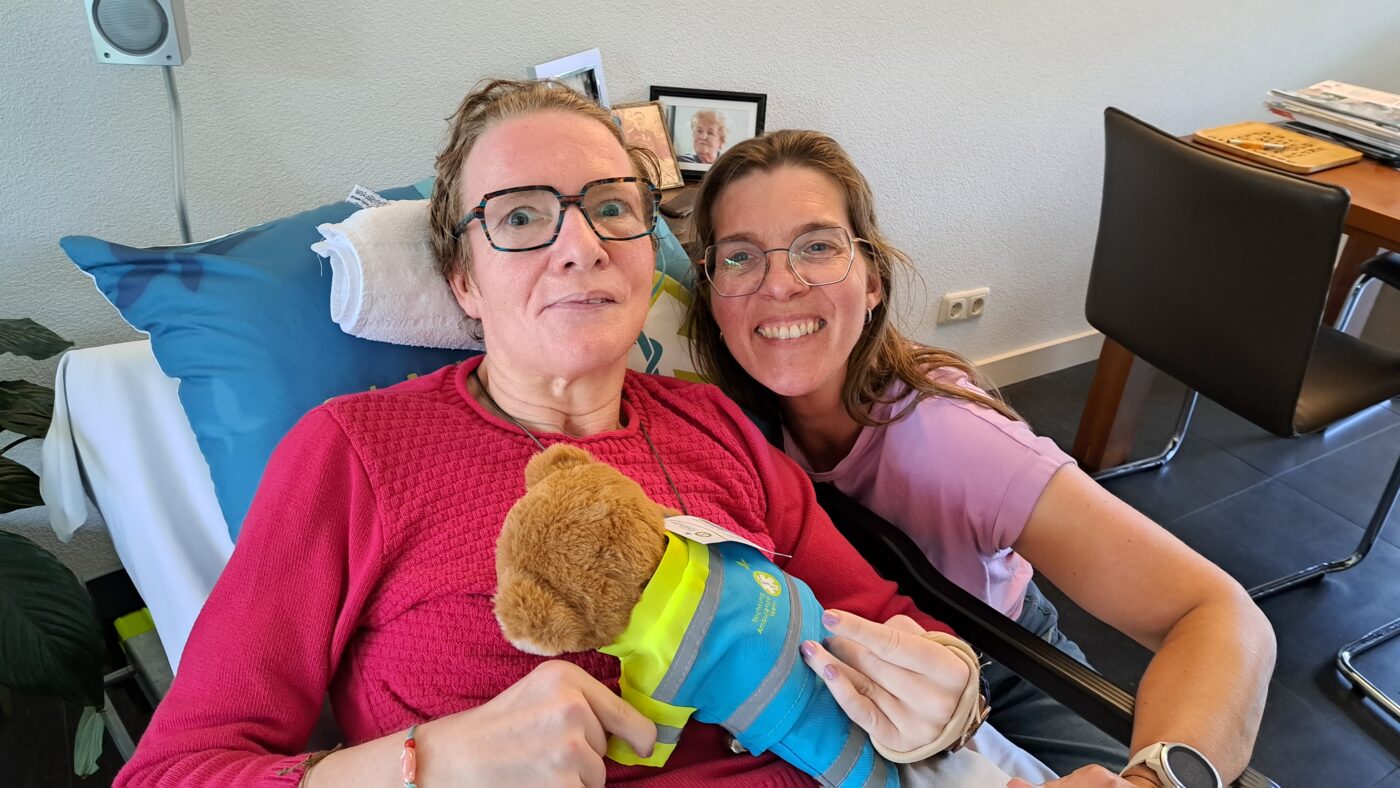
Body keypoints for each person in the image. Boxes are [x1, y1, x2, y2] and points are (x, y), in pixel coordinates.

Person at [113, 81, 1059, 788]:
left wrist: (949, 690)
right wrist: (425, 763)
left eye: (611, 207)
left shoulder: (714, 424)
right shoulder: (354, 454)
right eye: (521, 216)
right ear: (463, 281)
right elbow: (177, 770)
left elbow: (885, 617)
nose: (582, 245)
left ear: (649, 251)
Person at [685, 129, 1277, 787]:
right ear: (710, 292)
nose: (778, 285)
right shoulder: (722, 422)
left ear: (874, 280)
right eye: (741, 257)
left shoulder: (951, 440)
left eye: (817, 246)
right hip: (877, 664)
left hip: (1002, 655)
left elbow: (1219, 614)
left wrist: (1157, 781)